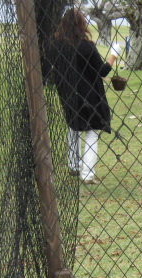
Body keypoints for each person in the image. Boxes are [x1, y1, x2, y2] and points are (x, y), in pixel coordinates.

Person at [49, 8, 120, 185]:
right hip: (90, 97)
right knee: (91, 132)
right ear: (81, 25)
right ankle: (87, 174)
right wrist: (113, 55)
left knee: (73, 127)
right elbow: (102, 71)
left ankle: (73, 165)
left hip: (68, 94)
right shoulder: (86, 46)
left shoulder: (56, 46)